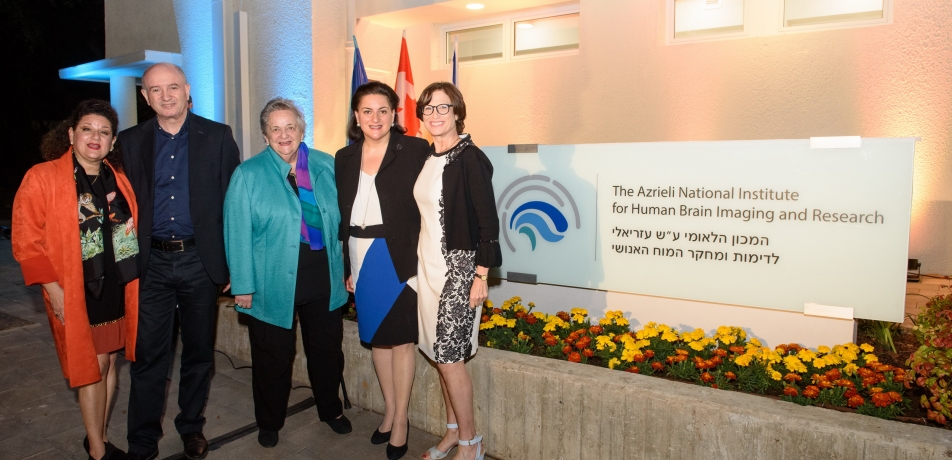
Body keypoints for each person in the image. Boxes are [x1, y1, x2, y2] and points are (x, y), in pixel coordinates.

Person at [119, 62, 240, 460]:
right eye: (156, 89)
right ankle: (141, 439)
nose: (166, 95)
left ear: (187, 90)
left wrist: (230, 266)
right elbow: (118, 208)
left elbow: (233, 207)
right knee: (147, 355)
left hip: (198, 263)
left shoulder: (218, 137)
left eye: (173, 87)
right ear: (145, 96)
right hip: (149, 263)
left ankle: (191, 427)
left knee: (198, 353)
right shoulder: (130, 141)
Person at [13, 99, 140, 460]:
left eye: (104, 131)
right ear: (71, 134)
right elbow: (25, 239)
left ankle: (95, 435)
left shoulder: (118, 179)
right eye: (87, 129)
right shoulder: (43, 177)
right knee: (93, 366)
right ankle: (98, 451)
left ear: (113, 142)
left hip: (115, 285)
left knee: (110, 362)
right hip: (74, 288)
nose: (95, 137)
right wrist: (52, 291)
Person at [224, 97, 351, 448]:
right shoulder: (248, 175)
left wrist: (348, 269)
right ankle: (269, 420)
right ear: (265, 135)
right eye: (275, 129)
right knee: (272, 358)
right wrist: (244, 285)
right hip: (271, 283)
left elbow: (344, 223)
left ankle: (331, 410)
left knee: (327, 351)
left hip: (323, 278)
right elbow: (237, 233)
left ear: (301, 129)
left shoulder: (327, 166)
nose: (284, 135)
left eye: (290, 127)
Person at [335, 81, 429, 460]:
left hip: (399, 256)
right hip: (360, 253)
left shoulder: (416, 150)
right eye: (367, 111)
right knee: (376, 339)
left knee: (402, 340)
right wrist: (346, 264)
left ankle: (401, 420)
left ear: (394, 114)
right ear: (356, 116)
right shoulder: (344, 156)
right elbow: (342, 215)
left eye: (383, 110)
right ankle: (389, 411)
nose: (375, 118)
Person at [413, 83, 501, 460]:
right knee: (439, 355)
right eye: (428, 109)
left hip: (461, 269)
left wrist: (480, 275)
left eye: (442, 107)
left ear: (457, 111)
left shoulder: (470, 158)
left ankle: (470, 443)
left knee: (449, 357)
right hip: (428, 268)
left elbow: (488, 222)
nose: (435, 115)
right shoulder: (430, 158)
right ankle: (452, 433)